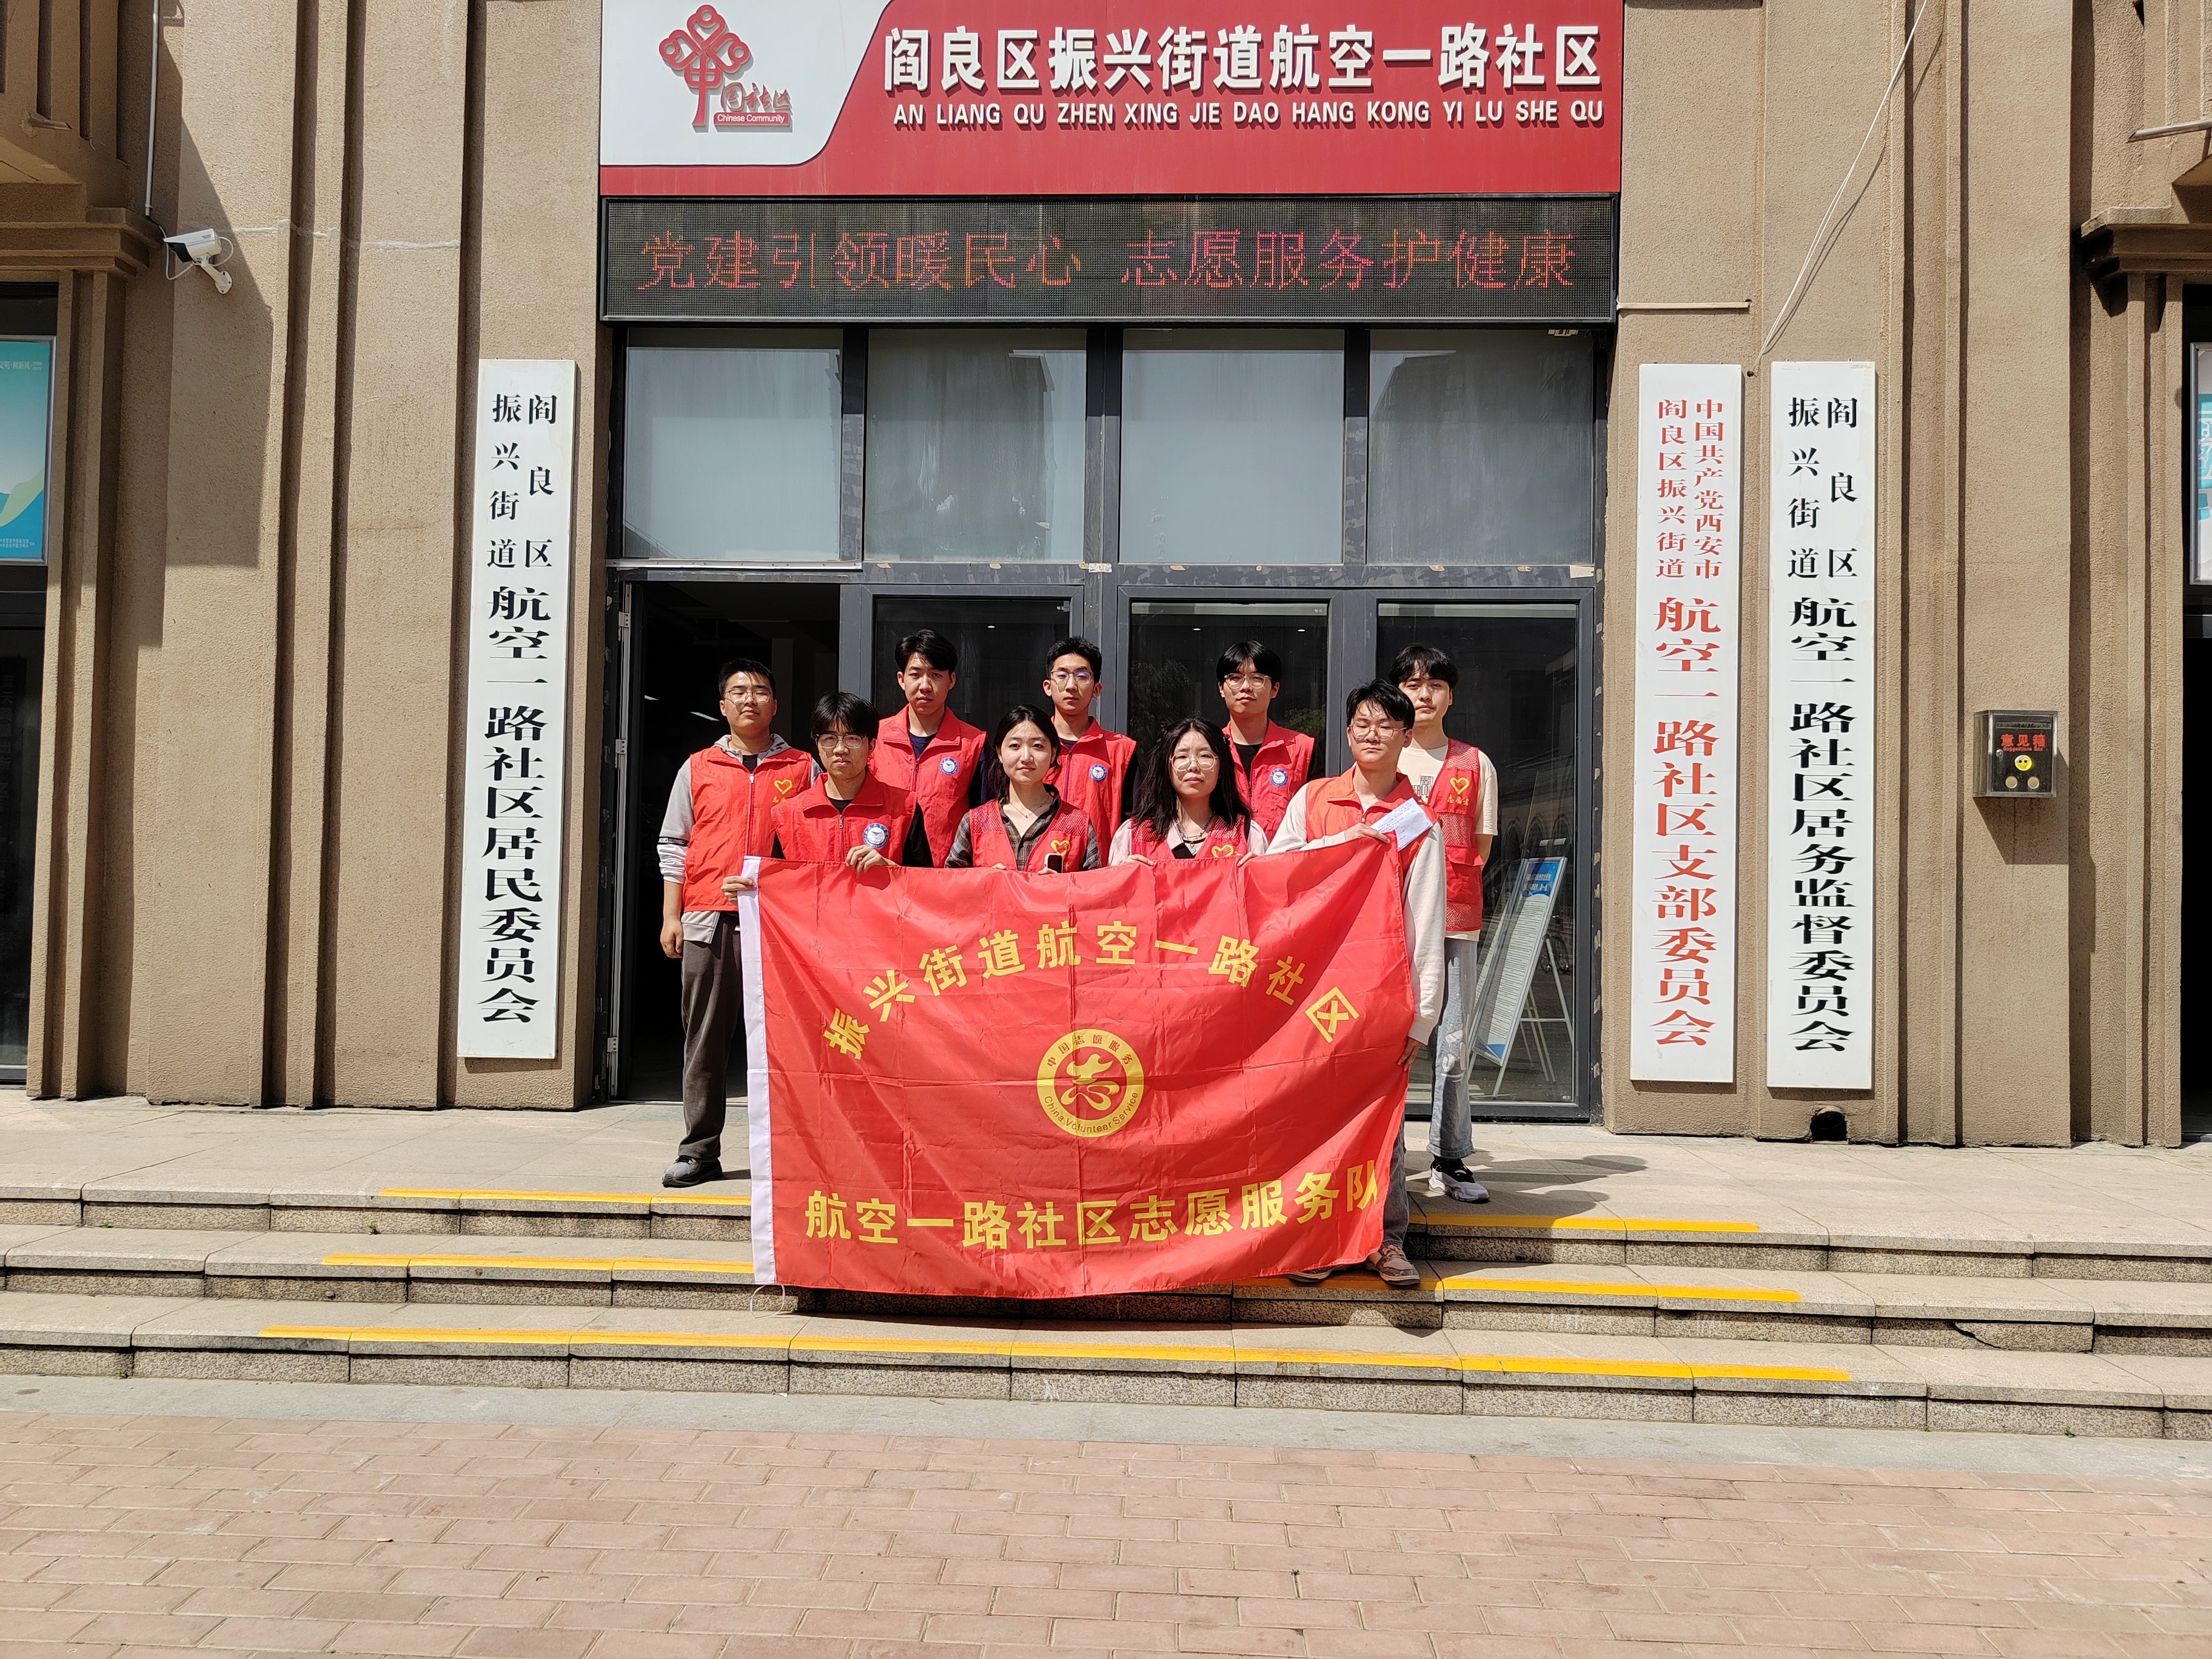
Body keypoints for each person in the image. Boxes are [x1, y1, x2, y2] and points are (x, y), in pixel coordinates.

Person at [1267, 680, 1446, 1291]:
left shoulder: (1419, 823)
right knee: (1313, 1115)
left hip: (1379, 995)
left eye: (1386, 726)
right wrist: (1344, 844)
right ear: (1347, 732)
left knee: (1382, 1120)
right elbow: (1276, 875)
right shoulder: (1314, 799)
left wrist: (1423, 1015)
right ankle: (1318, 1236)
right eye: (1362, 725)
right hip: (1312, 988)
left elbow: (1426, 922)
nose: (1373, 735)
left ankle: (1386, 1241)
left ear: (1405, 736)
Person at [656, 659, 816, 1190]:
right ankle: (699, 1152)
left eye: (761, 691)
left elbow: (812, 846)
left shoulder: (803, 767)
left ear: (776, 705)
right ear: (723, 705)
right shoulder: (697, 767)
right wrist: (671, 915)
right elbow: (674, 845)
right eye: (739, 692)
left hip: (780, 924)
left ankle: (794, 1155)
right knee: (704, 1040)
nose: (750, 699)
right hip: (708, 918)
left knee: (787, 1043)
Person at [1392, 643, 1499, 1207]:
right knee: (1388, 1043)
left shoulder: (1475, 764)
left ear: (1451, 696)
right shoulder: (1383, 757)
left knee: (1453, 1045)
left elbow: (1481, 845)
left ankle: (1449, 1157)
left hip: (1457, 920)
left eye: (1434, 685)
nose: (1423, 695)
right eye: (1412, 685)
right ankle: (1384, 1160)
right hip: (1393, 924)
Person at [767, 691, 936, 870]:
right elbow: (779, 884)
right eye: (829, 739)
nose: (840, 749)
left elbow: (924, 882)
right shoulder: (788, 816)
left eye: (852, 739)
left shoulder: (905, 809)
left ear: (871, 745)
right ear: (817, 744)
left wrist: (891, 869)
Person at [869, 628, 987, 866]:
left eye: (935, 675)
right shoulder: (875, 738)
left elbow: (984, 817)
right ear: (901, 679)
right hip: (882, 869)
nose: (925, 685)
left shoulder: (974, 743)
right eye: (916, 674)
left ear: (951, 680)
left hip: (946, 874)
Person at [944, 704, 1101, 871]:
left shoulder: (1078, 825)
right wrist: (983, 879)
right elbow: (952, 882)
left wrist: (1060, 884)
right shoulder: (975, 822)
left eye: (1037, 746)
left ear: (1053, 753)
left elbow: (1094, 885)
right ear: (1000, 753)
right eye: (1015, 746)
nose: (1026, 757)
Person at [1108, 717, 1269, 865]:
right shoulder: (1134, 835)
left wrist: (1257, 875)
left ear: (1221, 768)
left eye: (1205, 756)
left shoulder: (1246, 834)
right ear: (1166, 767)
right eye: (1182, 757)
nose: (1194, 766)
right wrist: (1125, 876)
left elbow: (1265, 887)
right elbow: (1113, 887)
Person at [1041, 635, 1138, 843]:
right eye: (1062, 675)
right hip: (1038, 863)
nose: (1071, 685)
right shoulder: (1031, 747)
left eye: (1082, 676)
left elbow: (1135, 824)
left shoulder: (1121, 751)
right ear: (1048, 686)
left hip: (1098, 863)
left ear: (1096, 689)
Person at [1216, 639, 1315, 840]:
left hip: (1282, 859)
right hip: (1221, 858)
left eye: (1257, 678)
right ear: (1221, 688)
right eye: (1235, 678)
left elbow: (1315, 818)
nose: (1246, 687)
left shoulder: (1303, 749)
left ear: (1275, 689)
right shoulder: (1210, 748)